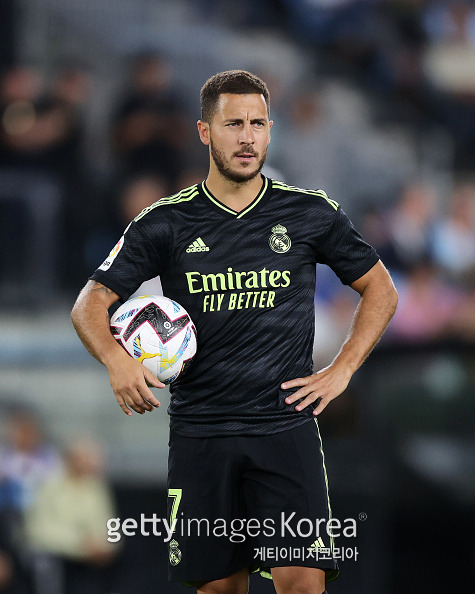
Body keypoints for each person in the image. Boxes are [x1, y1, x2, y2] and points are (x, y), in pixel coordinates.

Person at [71, 70, 398, 594]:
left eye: (258, 124)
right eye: (233, 124)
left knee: (303, 582)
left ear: (270, 131)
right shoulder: (164, 222)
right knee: (219, 588)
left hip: (284, 428)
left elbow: (381, 289)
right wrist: (116, 359)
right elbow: (89, 304)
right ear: (205, 132)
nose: (247, 137)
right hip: (202, 432)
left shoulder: (309, 213)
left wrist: (343, 369)